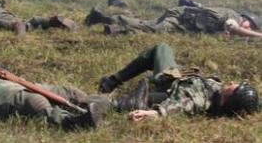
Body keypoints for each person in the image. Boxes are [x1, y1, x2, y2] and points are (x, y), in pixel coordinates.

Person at [98, 43, 259, 121]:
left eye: (235, 87)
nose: (232, 82)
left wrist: (150, 114)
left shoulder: (197, 99)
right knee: (141, 100)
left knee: (161, 48)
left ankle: (111, 83)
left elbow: (177, 108)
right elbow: (252, 102)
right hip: (180, 76)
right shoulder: (237, 101)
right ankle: (121, 101)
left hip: (170, 79)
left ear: (226, 100)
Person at [85, 0, 262, 38]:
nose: (249, 28)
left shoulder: (232, 19)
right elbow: (232, 26)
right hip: (181, 18)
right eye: (251, 25)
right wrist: (258, 35)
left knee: (145, 24)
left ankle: (101, 18)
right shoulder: (235, 17)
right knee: (154, 30)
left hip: (183, 18)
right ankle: (116, 30)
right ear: (245, 18)